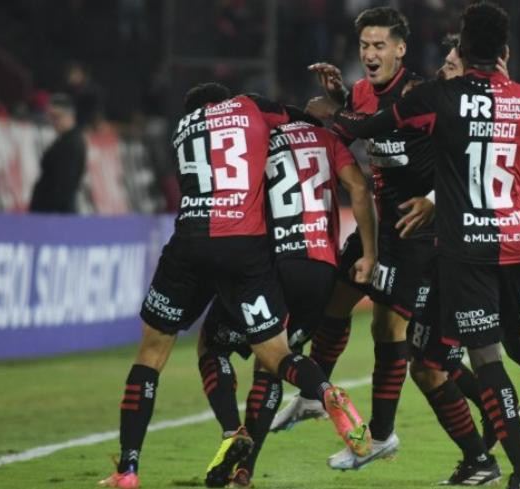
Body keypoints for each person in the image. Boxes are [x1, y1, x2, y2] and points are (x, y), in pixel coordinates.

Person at [308, 3, 520, 488]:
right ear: (504, 53)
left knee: (484, 362)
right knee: (514, 341)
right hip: (516, 244)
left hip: (464, 249)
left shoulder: (440, 97)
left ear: (461, 49)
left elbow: (364, 128)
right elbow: (494, 112)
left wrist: (331, 111)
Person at [98, 83, 372, 489]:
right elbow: (296, 119)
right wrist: (328, 113)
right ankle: (325, 390)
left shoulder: (182, 128)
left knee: (157, 351)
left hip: (190, 241)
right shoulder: (249, 108)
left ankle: (132, 469)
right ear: (225, 101)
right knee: (275, 354)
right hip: (248, 248)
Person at [271, 7, 437, 471]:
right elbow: (362, 121)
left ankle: (382, 435)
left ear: (400, 49)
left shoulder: (419, 94)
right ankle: (311, 395)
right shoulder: (362, 92)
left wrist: (434, 198)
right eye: (364, 46)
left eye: (380, 45)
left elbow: (457, 155)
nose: (370, 53)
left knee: (388, 329)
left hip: (417, 231)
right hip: (382, 226)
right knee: (335, 301)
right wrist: (343, 99)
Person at [197, 119, 378, 488]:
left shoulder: (263, 138)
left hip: (275, 264)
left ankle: (234, 437)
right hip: (320, 270)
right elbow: (359, 188)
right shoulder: (328, 138)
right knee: (274, 365)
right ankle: (325, 392)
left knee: (213, 343)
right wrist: (370, 253)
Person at [29, 94, 86, 213]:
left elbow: (65, 185)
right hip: (52, 212)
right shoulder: (65, 140)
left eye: (56, 116)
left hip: (55, 214)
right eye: (51, 117)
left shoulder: (72, 144)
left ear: (70, 115)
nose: (53, 121)